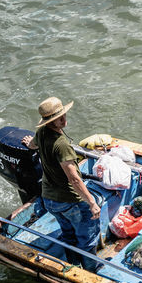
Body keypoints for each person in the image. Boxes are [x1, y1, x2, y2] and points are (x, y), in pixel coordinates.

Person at [21, 96, 102, 271]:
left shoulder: (42, 133)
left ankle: (73, 264)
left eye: (64, 115)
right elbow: (74, 179)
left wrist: (29, 144)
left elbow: (33, 145)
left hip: (50, 200)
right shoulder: (62, 145)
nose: (64, 119)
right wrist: (92, 203)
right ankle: (90, 272)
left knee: (68, 233)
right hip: (69, 201)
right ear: (50, 120)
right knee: (88, 239)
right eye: (59, 118)